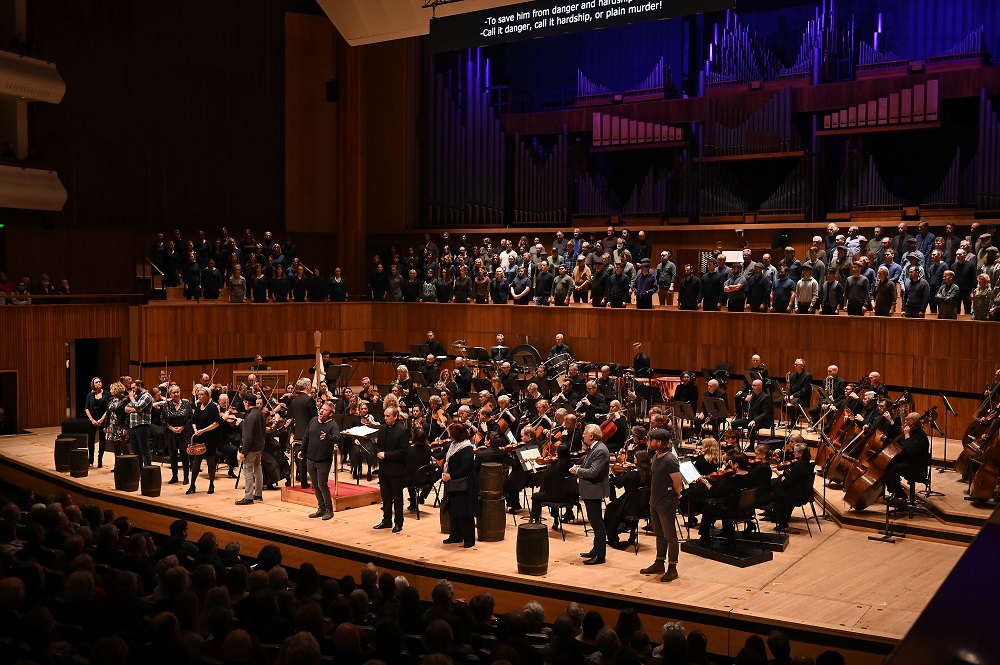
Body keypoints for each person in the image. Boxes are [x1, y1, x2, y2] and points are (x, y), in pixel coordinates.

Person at [639, 428, 683, 582]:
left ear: (659, 442)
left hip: (666, 502)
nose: (648, 442)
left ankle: (672, 568)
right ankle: (659, 562)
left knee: (670, 536)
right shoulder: (656, 456)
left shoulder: (670, 459)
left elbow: (678, 481)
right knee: (659, 534)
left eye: (651, 440)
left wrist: (677, 493)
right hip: (655, 501)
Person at [571, 424, 611, 565]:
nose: (583, 435)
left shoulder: (600, 450)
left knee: (597, 524)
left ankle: (600, 556)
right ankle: (596, 550)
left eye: (585, 433)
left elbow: (594, 472)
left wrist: (578, 471)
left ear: (591, 436)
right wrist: (580, 468)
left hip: (595, 491)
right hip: (590, 491)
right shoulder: (595, 448)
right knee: (595, 523)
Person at [297, 400, 341, 519]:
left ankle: (329, 510)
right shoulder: (313, 420)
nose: (321, 410)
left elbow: (338, 438)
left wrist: (328, 437)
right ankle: (321, 508)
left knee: (322, 485)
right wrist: (302, 450)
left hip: (323, 460)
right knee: (315, 485)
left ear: (330, 414)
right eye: (321, 408)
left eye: (325, 410)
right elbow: (306, 436)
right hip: (311, 458)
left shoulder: (332, 425)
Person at [442, 423, 479, 548]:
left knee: (464, 512)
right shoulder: (453, 444)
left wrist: (450, 476)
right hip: (454, 483)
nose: (448, 434)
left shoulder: (466, 448)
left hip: (464, 484)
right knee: (453, 510)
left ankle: (469, 539)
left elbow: (465, 468)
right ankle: (455, 535)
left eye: (450, 432)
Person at [374, 406, 410, 533]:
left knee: (397, 497)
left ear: (395, 417)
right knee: (386, 496)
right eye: (384, 416)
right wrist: (378, 453)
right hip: (384, 469)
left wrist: (386, 455)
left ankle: (398, 522)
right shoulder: (383, 429)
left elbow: (403, 451)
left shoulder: (402, 431)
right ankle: (386, 520)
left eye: (388, 416)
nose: (385, 418)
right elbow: (378, 446)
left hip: (396, 469)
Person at [885, 412, 931, 505]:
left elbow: (911, 451)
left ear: (915, 422)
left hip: (917, 467)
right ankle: (897, 493)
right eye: (905, 420)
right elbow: (899, 444)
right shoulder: (910, 432)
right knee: (888, 466)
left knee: (893, 469)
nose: (905, 422)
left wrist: (907, 436)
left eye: (907, 420)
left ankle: (899, 495)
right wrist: (886, 439)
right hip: (909, 462)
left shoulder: (920, 436)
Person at [769, 442, 814, 531]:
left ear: (801, 454)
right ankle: (784, 518)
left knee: (775, 494)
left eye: (795, 451)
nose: (793, 452)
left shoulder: (798, 467)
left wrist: (778, 473)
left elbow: (787, 483)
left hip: (795, 495)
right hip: (803, 492)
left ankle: (781, 521)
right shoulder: (809, 465)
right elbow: (795, 478)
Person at [234, 394, 267, 506]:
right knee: (258, 468)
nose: (244, 404)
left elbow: (248, 437)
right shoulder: (261, 413)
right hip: (260, 446)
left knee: (247, 470)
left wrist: (243, 452)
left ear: (247, 403)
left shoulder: (250, 416)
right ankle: (258, 494)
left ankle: (248, 496)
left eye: (244, 402)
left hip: (252, 448)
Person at [188, 386, 222, 495]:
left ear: (208, 396)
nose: (200, 396)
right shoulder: (198, 406)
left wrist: (203, 430)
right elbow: (193, 421)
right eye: (199, 394)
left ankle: (211, 484)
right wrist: (196, 429)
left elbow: (216, 423)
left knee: (210, 462)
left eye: (202, 394)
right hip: (199, 436)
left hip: (210, 438)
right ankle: (192, 485)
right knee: (196, 462)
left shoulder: (212, 407)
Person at [288, 378, 318, 489]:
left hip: (298, 433)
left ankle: (303, 482)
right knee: (312, 458)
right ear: (307, 386)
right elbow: (314, 418)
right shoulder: (309, 400)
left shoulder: (294, 400)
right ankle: (315, 483)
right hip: (309, 433)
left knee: (301, 458)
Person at [162, 385, 193, 484]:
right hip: (171, 434)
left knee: (184, 456)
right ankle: (174, 476)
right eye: (174, 393)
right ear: (170, 394)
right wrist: (171, 428)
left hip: (184, 433)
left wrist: (182, 427)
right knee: (173, 456)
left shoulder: (186, 403)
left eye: (177, 392)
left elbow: (191, 418)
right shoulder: (166, 405)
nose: (176, 394)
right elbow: (162, 419)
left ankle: (186, 477)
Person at [125, 379, 154, 468]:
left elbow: (138, 406)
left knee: (144, 450)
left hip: (142, 426)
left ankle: (148, 471)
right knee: (135, 450)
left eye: (134, 388)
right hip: (133, 426)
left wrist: (132, 399)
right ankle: (139, 471)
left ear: (140, 386)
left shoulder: (147, 396)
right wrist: (136, 408)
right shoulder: (137, 397)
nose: (132, 390)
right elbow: (126, 409)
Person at [84, 377, 110, 468]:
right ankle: (90, 459)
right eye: (97, 382)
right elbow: (87, 408)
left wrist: (102, 419)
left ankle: (100, 459)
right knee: (91, 440)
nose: (99, 383)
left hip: (102, 419)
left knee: (102, 440)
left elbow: (108, 408)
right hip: (92, 419)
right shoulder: (89, 395)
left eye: (100, 381)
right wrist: (92, 420)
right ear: (93, 384)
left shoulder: (107, 394)